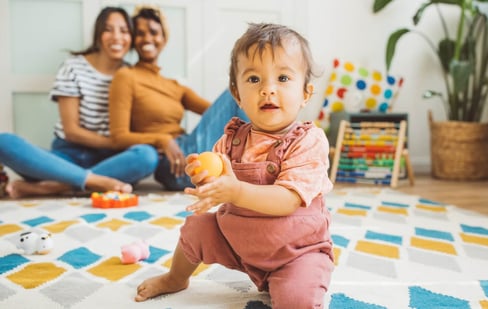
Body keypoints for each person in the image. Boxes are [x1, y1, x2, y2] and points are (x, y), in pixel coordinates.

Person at [134, 23, 334, 308]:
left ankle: (294, 282)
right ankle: (175, 278)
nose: (268, 90)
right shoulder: (232, 138)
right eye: (254, 79)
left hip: (297, 253)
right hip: (239, 244)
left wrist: (236, 192)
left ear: (305, 93)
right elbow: (217, 183)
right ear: (237, 95)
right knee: (197, 228)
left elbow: (288, 200)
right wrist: (202, 177)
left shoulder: (308, 141)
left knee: (296, 301)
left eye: (282, 78)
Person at [0, 7, 158, 199]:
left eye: (124, 31)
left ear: (131, 38)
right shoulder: (73, 67)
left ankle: (54, 187)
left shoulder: (132, 74)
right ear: (98, 34)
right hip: (66, 158)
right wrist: (116, 142)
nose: (117, 37)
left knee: (147, 156)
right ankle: (94, 182)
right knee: (4, 142)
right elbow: (71, 131)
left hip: (111, 160)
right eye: (108, 29)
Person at [108, 5, 248, 191]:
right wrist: (162, 139)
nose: (147, 38)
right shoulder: (126, 76)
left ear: (164, 39)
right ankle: (257, 165)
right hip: (172, 163)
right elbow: (119, 137)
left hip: (190, 148)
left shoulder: (174, 86)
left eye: (153, 32)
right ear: (133, 40)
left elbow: (222, 111)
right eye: (140, 33)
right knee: (239, 89)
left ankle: (259, 160)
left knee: (242, 94)